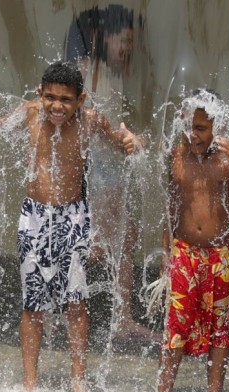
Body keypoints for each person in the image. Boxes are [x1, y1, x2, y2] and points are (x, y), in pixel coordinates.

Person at [0, 61, 143, 392]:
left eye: (66, 100)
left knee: (76, 302)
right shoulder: (29, 114)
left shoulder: (91, 122)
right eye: (50, 97)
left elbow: (119, 145)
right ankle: (30, 382)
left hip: (73, 218)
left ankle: (79, 381)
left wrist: (133, 142)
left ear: (80, 100)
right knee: (33, 303)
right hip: (34, 218)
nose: (57, 106)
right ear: (40, 94)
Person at [151, 88, 229, 392]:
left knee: (221, 329)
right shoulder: (177, 154)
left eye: (201, 128)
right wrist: (166, 254)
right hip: (185, 251)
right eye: (189, 126)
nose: (193, 134)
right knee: (175, 325)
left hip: (223, 256)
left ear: (218, 125)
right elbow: (171, 208)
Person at [65, 5, 151, 340]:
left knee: (120, 240)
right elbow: (92, 126)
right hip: (99, 170)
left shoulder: (108, 72)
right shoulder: (90, 71)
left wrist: (128, 140)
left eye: (131, 41)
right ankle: (80, 311)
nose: (128, 47)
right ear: (102, 37)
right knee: (101, 246)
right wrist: (125, 141)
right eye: (123, 39)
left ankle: (119, 318)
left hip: (108, 168)